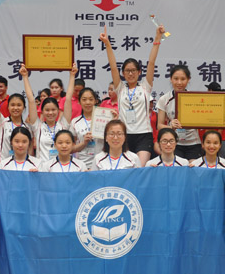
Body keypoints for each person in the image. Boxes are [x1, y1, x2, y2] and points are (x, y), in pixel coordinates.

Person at [100, 24, 165, 167]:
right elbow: (113, 66)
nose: (130, 73)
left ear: (139, 72)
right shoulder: (120, 88)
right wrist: (107, 44)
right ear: (123, 73)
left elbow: (151, 63)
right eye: (127, 71)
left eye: (133, 70)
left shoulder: (145, 86)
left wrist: (157, 38)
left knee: (139, 168)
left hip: (144, 135)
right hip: (124, 135)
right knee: (125, 168)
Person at [0, 70, 37, 166]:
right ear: (8, 107)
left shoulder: (27, 127)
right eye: (12, 105)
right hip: (3, 166)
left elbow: (31, 101)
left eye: (19, 105)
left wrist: (25, 77)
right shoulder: (2, 122)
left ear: (24, 107)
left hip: (22, 166)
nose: (15, 108)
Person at [24, 64, 76, 162]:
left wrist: (72, 76)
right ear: (42, 111)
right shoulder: (38, 126)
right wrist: (25, 77)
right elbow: (31, 100)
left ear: (58, 110)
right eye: (47, 110)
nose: (50, 113)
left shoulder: (63, 125)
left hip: (60, 167)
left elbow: (68, 99)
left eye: (53, 110)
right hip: (42, 168)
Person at [156, 65, 202, 161]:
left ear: (188, 79)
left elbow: (204, 119)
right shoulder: (164, 99)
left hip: (193, 143)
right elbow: (159, 126)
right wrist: (170, 127)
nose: (179, 82)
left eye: (183, 79)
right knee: (177, 168)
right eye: (176, 79)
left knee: (192, 168)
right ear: (171, 79)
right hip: (174, 143)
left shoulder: (195, 98)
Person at [71, 88, 112, 169]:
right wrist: (84, 142)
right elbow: (72, 149)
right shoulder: (75, 122)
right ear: (79, 102)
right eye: (84, 99)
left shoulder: (105, 119)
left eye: (91, 99)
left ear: (95, 101)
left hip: (102, 164)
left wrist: (114, 120)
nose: (88, 102)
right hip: (83, 164)